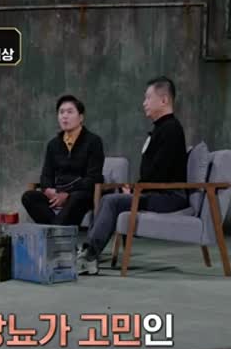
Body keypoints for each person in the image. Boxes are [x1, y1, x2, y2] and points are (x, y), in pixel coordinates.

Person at [77, 76, 189, 275]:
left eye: (148, 98)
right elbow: (154, 172)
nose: (144, 103)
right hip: (155, 192)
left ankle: (90, 256)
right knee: (107, 198)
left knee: (111, 201)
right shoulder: (161, 128)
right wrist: (136, 188)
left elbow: (160, 173)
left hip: (170, 196)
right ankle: (88, 251)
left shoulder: (171, 130)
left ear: (164, 100)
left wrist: (138, 189)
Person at [21, 95, 105, 226]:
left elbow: (93, 178)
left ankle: (54, 231)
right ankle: (58, 230)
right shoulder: (53, 144)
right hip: (57, 194)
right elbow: (46, 175)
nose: (65, 116)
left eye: (70, 112)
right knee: (29, 197)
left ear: (81, 117)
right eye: (61, 112)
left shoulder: (93, 141)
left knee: (76, 198)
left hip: (81, 194)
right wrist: (48, 190)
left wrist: (67, 194)